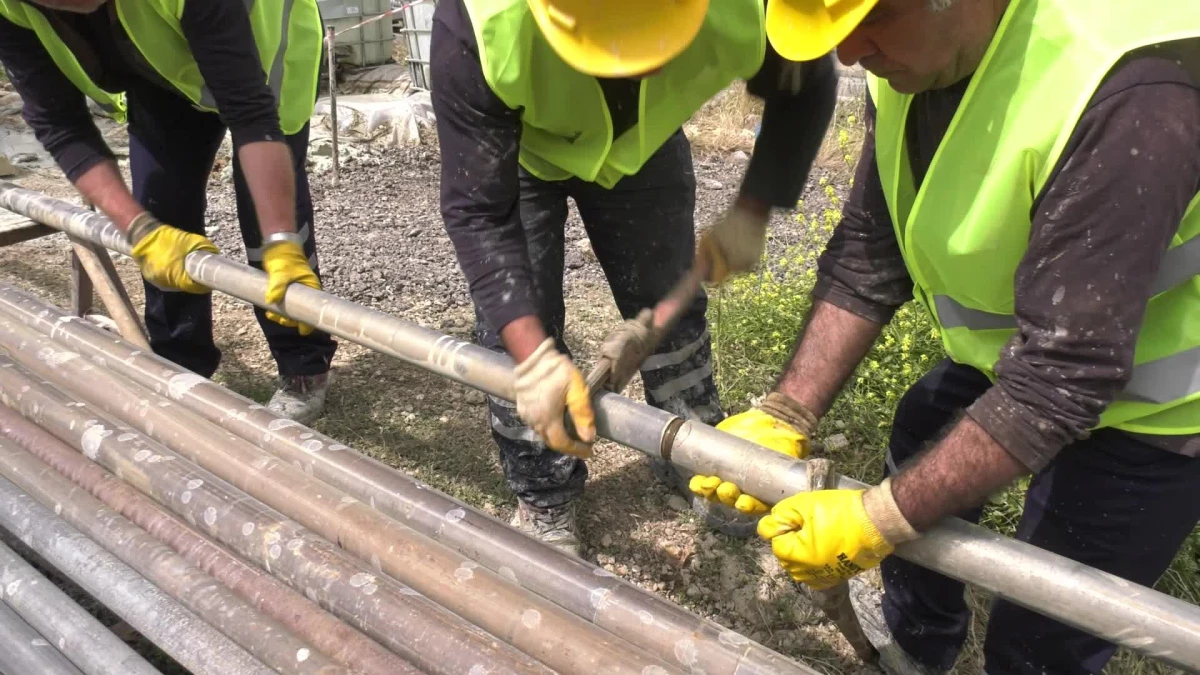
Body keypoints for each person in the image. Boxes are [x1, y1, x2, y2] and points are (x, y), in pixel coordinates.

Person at [692, 0, 1200, 672]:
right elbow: (869, 255)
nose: (849, 54)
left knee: (1044, 632)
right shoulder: (912, 59)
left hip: (1165, 404)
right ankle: (916, 643)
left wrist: (878, 520)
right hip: (1041, 348)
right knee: (920, 433)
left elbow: (1059, 381)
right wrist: (787, 408)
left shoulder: (1131, 89)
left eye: (872, 22)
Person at [429, 0, 878, 555]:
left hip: (644, 144)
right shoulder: (480, 24)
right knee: (518, 331)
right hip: (521, 151)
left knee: (670, 307)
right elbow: (479, 212)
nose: (627, 65)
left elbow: (805, 85)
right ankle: (543, 489)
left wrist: (753, 209)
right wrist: (533, 356)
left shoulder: (751, 9)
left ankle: (693, 455)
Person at [0, 0, 338, 424]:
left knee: (270, 230)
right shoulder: (10, 9)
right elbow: (60, 124)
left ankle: (303, 365)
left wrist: (281, 240)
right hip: (163, 72)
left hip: (265, 48)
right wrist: (141, 231)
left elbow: (251, 112)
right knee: (162, 214)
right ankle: (181, 363)